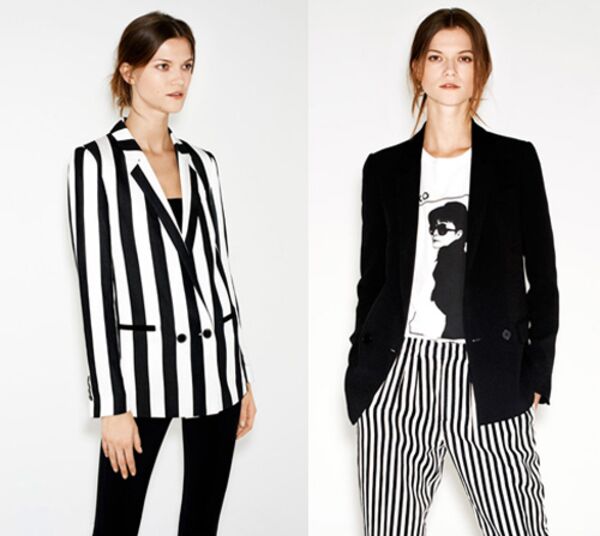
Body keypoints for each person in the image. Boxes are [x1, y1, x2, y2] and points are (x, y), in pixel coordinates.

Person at [344, 7, 558, 535]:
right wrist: (362, 368)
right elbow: (372, 280)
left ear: (480, 69)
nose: (450, 70)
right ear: (418, 68)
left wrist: (536, 373)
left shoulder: (514, 162)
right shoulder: (384, 168)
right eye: (437, 57)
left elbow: (544, 276)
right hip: (399, 376)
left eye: (464, 58)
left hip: (488, 372)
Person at [66, 11, 257, 535]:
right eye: (163, 66)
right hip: (141, 376)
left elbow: (219, 271)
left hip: (215, 369)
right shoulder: (95, 163)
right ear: (129, 72)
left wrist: (239, 373)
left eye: (187, 66)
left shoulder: (203, 164)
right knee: (115, 524)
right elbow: (95, 290)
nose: (179, 79)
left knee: (201, 524)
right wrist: (111, 406)